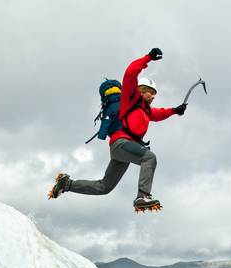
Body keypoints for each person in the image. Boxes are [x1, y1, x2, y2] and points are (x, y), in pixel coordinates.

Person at [48, 48, 187, 210]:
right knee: (149, 158)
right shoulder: (130, 97)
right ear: (142, 91)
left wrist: (175, 111)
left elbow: (160, 113)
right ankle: (142, 196)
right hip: (121, 143)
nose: (154, 96)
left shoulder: (146, 110)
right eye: (151, 93)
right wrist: (148, 58)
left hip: (124, 150)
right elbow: (129, 73)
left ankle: (67, 184)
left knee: (104, 187)